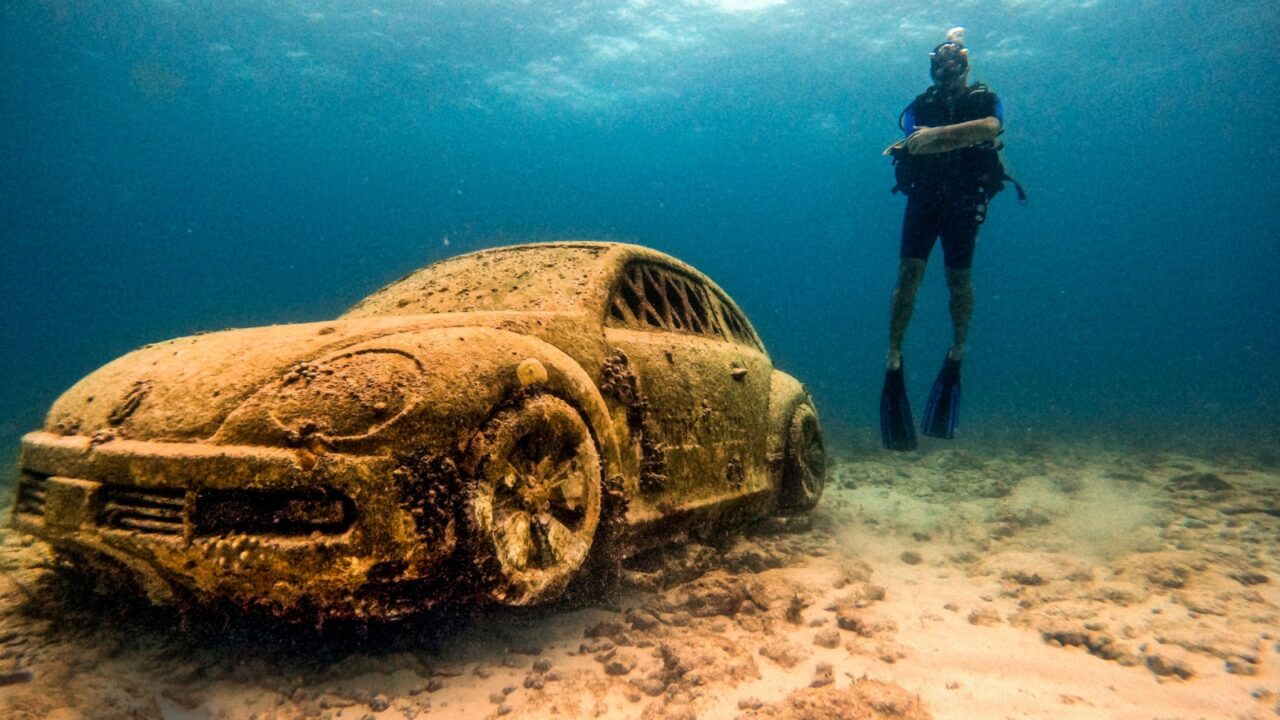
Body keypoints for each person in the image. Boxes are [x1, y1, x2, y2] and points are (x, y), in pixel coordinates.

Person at [879, 27, 1022, 451]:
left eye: (953, 61)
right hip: (925, 202)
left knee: (958, 279)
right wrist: (945, 138)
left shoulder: (983, 97)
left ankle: (957, 349)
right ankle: (894, 354)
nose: (945, 68)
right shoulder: (919, 105)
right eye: (938, 62)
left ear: (965, 65)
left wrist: (937, 137)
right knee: (909, 276)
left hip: (962, 203)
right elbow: (910, 137)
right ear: (932, 67)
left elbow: (992, 126)